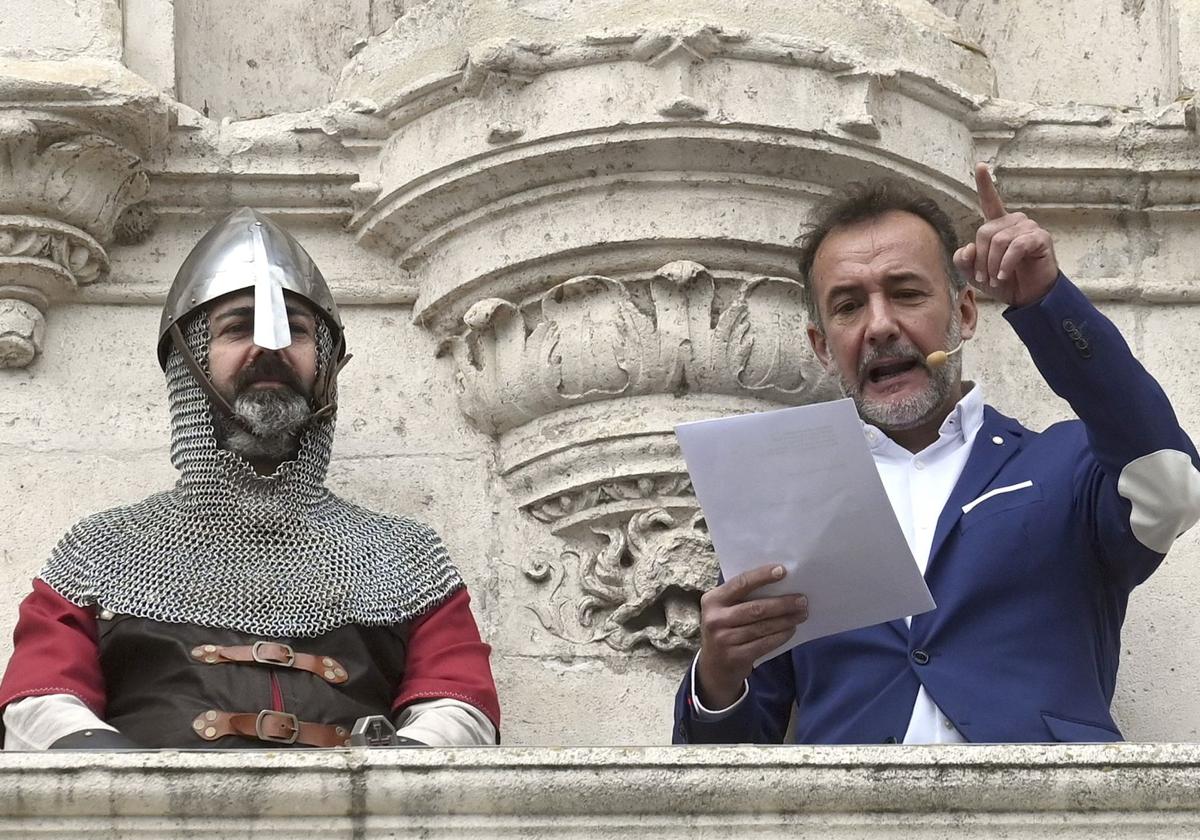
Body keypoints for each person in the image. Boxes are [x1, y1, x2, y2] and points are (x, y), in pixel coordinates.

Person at [673, 165, 1200, 744]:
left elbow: (1174, 486)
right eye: (848, 306)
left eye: (906, 293)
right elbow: (727, 781)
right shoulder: (784, 504)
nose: (879, 326)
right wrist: (717, 677)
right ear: (823, 347)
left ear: (966, 314)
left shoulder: (1067, 462)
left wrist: (1049, 304)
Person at [0, 208, 500, 749]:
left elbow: (460, 708)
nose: (269, 346)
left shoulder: (404, 556)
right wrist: (125, 783)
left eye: (296, 331)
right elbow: (38, 704)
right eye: (239, 327)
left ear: (327, 364)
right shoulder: (104, 551)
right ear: (191, 363)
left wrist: (392, 775)